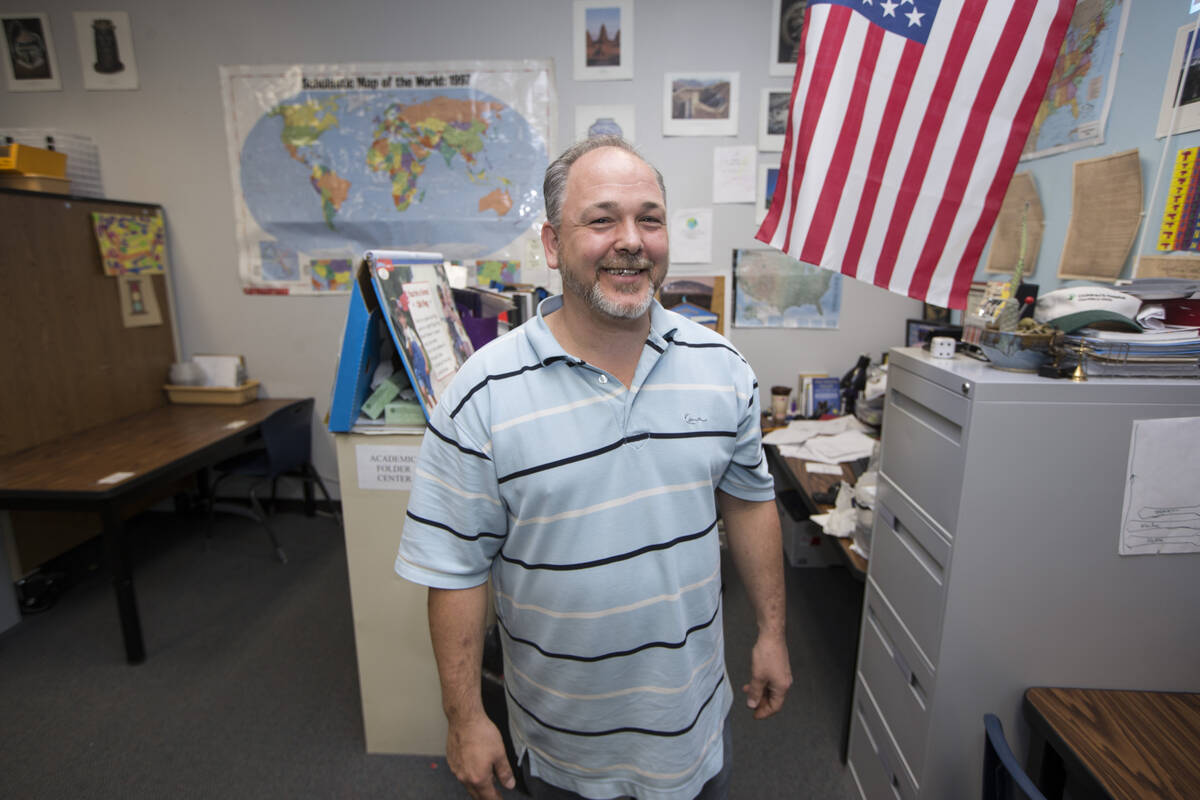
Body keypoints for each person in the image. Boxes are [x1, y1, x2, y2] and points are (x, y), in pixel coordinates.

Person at [395, 135, 791, 800]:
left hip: (693, 727)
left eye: (650, 219)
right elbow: (454, 570)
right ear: (552, 246)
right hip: (562, 746)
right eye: (602, 219)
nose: (630, 241)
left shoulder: (723, 370)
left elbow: (750, 503)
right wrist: (464, 716)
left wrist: (772, 632)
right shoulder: (481, 394)